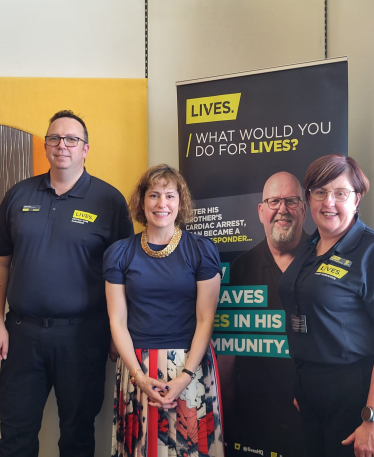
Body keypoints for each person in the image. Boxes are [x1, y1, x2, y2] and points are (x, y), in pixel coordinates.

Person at [0, 110, 134, 457]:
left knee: (77, 435)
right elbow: (2, 263)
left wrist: (120, 335)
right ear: (46, 145)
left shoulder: (109, 201)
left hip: (83, 336)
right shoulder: (17, 196)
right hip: (21, 335)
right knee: (15, 433)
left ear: (86, 149)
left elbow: (124, 275)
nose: (63, 145)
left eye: (71, 139)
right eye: (55, 138)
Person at [104, 164, 224, 457]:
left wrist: (184, 375)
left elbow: (205, 318)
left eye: (170, 196)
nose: (161, 204)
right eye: (154, 195)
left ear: (180, 203)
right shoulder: (119, 253)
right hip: (138, 369)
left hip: (189, 366)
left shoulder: (201, 250)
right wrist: (139, 376)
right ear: (142, 202)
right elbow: (117, 321)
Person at [278, 154, 374, 457]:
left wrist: (370, 418)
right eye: (319, 192)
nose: (328, 202)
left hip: (354, 395)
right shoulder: (308, 246)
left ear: (357, 199)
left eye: (340, 193)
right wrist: (304, 387)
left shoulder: (369, 251)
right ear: (309, 199)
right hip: (308, 390)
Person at [218, 172, 308, 456]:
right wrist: (225, 416)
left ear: (303, 209)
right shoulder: (240, 269)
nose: (282, 209)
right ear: (260, 211)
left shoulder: (322, 259)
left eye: (291, 201)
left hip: (314, 414)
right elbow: (227, 355)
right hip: (254, 422)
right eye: (273, 201)